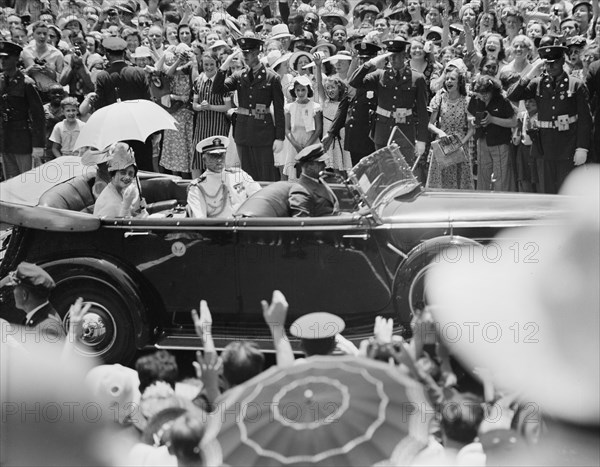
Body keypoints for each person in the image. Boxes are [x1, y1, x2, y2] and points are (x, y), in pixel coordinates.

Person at [508, 36, 593, 194]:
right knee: (546, 192)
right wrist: (531, 71)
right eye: (547, 62)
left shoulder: (576, 84)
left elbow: (585, 120)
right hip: (544, 147)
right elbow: (512, 95)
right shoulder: (538, 83)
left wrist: (582, 147)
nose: (551, 66)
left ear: (562, 61)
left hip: (567, 145)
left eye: (555, 62)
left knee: (567, 192)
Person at [348, 38, 429, 179]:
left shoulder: (417, 77)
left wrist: (421, 140)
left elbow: (422, 112)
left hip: (405, 132)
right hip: (383, 132)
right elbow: (354, 82)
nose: (393, 58)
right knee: (384, 173)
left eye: (397, 55)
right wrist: (369, 64)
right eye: (390, 55)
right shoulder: (380, 74)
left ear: (405, 55)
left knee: (404, 173)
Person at [212, 37, 285, 182]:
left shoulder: (271, 78)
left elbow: (278, 109)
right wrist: (224, 66)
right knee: (247, 177)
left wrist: (279, 137)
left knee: (266, 175)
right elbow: (217, 89)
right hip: (243, 131)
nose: (245, 55)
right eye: (243, 52)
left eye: (249, 52)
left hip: (263, 132)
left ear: (258, 52)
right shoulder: (239, 76)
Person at [94, 36, 153, 172]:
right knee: (145, 171)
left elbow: (99, 108)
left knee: (119, 172)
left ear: (107, 54)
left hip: (114, 132)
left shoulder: (102, 76)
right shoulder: (138, 72)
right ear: (125, 53)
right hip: (139, 130)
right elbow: (148, 102)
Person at [324, 41, 381, 166]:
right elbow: (344, 107)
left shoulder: (380, 77)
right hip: (355, 136)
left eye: (367, 59)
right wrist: (331, 132)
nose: (363, 62)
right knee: (359, 176)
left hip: (371, 137)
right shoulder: (355, 79)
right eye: (361, 59)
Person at [0, 41, 45, 180]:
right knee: (10, 182)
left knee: (27, 181)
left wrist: (38, 145)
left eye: (6, 58)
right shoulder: (1, 81)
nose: (2, 61)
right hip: (6, 140)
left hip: (23, 140)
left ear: (16, 59)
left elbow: (38, 115)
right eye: (0, 58)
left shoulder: (26, 83)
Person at [187, 136, 261, 219]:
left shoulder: (239, 174)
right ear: (204, 159)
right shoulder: (197, 187)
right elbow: (200, 219)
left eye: (221, 155)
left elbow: (259, 197)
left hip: (245, 225)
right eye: (213, 156)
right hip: (219, 229)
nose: (219, 160)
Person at [468, 75, 517, 191]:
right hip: (482, 141)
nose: (483, 96)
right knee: (482, 176)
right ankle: (482, 205)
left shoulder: (502, 99)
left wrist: (492, 119)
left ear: (492, 90)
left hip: (500, 143)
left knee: (501, 176)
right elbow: (469, 115)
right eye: (480, 93)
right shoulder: (475, 99)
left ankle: (501, 204)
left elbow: (514, 122)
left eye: (486, 92)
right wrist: (473, 121)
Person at [0, 262, 65, 340]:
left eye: (15, 287)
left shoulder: (47, 329)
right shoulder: (39, 316)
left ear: (24, 295)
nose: (13, 292)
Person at [283, 75, 322, 180]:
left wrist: (307, 147)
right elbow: (287, 129)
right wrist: (296, 145)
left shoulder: (315, 107)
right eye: (298, 90)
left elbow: (318, 129)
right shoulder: (289, 107)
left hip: (311, 144)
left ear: (308, 90)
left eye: (303, 90)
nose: (300, 93)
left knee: (312, 175)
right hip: (295, 143)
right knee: (295, 174)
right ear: (294, 91)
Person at [93, 142, 147, 218]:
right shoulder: (110, 204)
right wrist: (126, 206)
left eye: (130, 174)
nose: (127, 177)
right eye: (123, 173)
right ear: (113, 174)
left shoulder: (120, 191)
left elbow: (133, 215)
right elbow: (118, 228)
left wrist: (142, 209)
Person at [288, 143, 339, 217]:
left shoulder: (318, 180)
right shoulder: (300, 190)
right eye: (321, 163)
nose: (325, 165)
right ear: (309, 166)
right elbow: (301, 224)